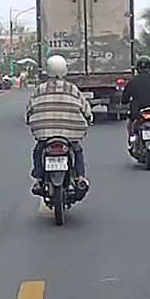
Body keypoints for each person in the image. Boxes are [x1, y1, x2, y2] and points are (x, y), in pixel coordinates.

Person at [26, 54, 92, 194]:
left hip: (45, 134)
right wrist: (89, 118)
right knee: (77, 150)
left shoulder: (40, 89)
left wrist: (29, 120)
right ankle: (80, 178)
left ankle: (38, 179)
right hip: (70, 134)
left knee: (38, 150)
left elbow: (30, 109)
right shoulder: (72, 89)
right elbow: (85, 109)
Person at [121, 56, 150, 146]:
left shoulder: (133, 81)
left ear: (138, 68)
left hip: (138, 110)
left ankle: (131, 139)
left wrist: (124, 102)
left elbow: (125, 97)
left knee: (131, 122)